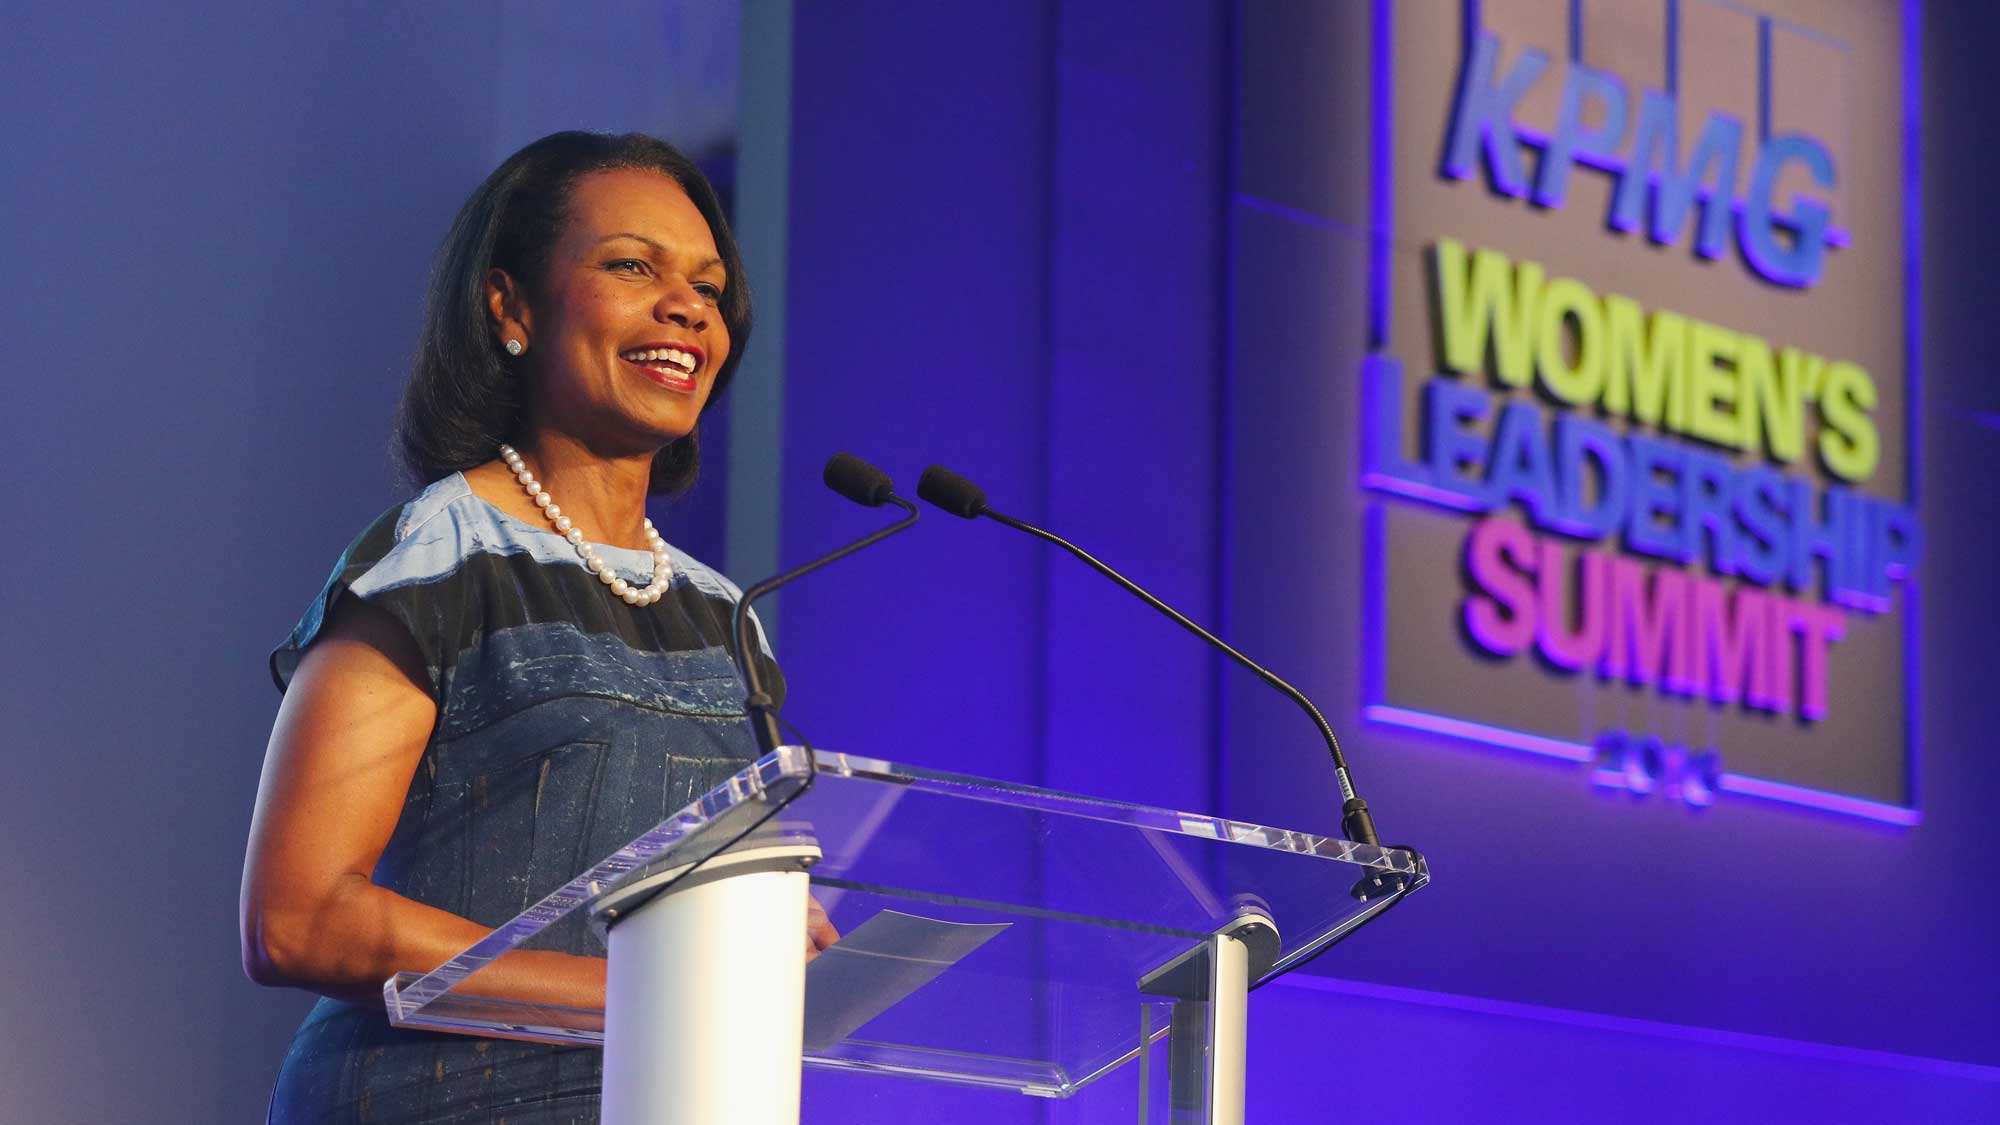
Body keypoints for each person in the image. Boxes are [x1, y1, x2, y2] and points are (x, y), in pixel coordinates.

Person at [239, 130, 836, 1123]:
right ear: (510, 306)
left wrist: (766, 931)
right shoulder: (440, 560)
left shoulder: (722, 617)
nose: (688, 305)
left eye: (708, 285)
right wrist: (644, 1001)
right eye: (631, 266)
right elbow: (299, 921)